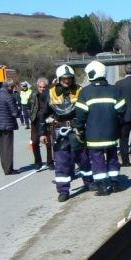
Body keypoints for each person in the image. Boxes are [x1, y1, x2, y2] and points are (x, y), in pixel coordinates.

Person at [40, 64, 94, 202]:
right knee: (62, 162)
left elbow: (89, 110)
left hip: (78, 130)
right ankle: (63, 190)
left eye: (69, 78)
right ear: (59, 79)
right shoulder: (50, 93)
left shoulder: (80, 91)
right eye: (64, 78)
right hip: (60, 132)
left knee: (84, 159)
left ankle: (89, 182)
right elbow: (43, 114)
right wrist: (42, 133)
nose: (67, 81)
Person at [76, 60, 126, 196]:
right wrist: (117, 125)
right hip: (112, 133)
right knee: (113, 157)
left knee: (97, 160)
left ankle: (102, 187)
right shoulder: (115, 90)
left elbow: (80, 115)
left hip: (93, 135)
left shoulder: (85, 92)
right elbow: (122, 111)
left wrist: (79, 129)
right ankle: (115, 183)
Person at [0, 78, 21, 175]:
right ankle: (9, 169)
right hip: (7, 124)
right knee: (8, 148)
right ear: (9, 86)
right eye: (12, 87)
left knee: (2, 147)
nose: (13, 89)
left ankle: (5, 167)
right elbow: (15, 113)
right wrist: (19, 110)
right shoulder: (8, 97)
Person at [28, 77, 54, 170]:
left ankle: (50, 162)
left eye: (44, 87)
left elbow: (53, 108)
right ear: (37, 87)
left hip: (46, 121)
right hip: (35, 122)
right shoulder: (33, 95)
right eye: (40, 87)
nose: (42, 89)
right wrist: (30, 117)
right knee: (34, 142)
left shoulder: (50, 96)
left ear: (46, 87)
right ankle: (38, 162)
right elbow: (28, 107)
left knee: (48, 143)